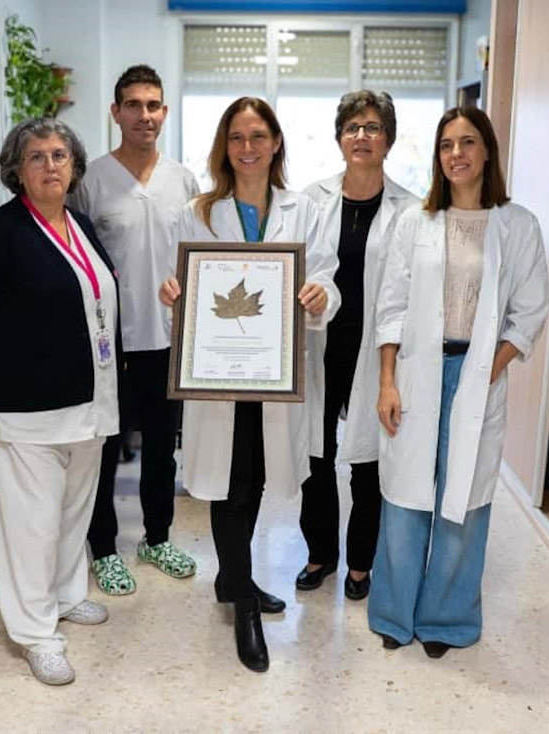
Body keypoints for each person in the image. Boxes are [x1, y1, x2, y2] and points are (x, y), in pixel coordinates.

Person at [0, 117, 120, 686]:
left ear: (74, 165)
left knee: (71, 513)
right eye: (36, 157)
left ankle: (64, 595)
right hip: (22, 408)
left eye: (60, 155)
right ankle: (36, 633)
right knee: (29, 526)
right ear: (17, 169)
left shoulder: (81, 225)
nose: (50, 166)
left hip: (87, 402)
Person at [159, 97, 339, 673]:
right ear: (224, 146)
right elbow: (181, 290)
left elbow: (327, 278)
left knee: (257, 477)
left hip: (278, 374)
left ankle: (232, 576)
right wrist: (173, 297)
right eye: (236, 137)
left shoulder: (303, 209)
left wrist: (319, 296)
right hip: (220, 377)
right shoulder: (197, 213)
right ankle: (243, 603)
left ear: (276, 142)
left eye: (258, 136)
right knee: (228, 482)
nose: (247, 147)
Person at [370, 106, 548, 658]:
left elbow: (530, 312)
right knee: (404, 496)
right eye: (446, 144)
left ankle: (446, 619)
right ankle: (394, 613)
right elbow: (391, 306)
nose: (456, 154)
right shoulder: (416, 222)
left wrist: (483, 375)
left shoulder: (517, 224)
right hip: (416, 373)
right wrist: (387, 382)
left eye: (468, 142)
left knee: (464, 497)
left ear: (487, 151)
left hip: (479, 371)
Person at [71, 64, 200, 595]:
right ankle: (103, 548)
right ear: (116, 112)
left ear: (164, 112)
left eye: (153, 105)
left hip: (169, 339)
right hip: (110, 344)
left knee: (161, 449)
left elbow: (199, 257)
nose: (144, 115)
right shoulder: (91, 182)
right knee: (104, 446)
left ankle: (157, 537)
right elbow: (76, 259)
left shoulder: (185, 180)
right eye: (133, 105)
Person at [296, 90, 417, 600]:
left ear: (388, 138)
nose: (361, 136)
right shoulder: (310, 199)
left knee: (370, 461)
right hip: (319, 345)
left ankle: (362, 563)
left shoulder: (412, 210)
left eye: (372, 127)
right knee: (315, 457)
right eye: (352, 127)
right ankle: (320, 553)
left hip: (379, 351)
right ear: (339, 138)